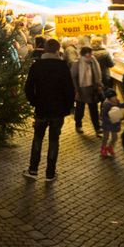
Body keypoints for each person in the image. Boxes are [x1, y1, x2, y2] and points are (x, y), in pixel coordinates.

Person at [23, 41, 75, 181]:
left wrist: (34, 102)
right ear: (58, 50)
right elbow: (70, 90)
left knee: (38, 139)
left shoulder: (37, 66)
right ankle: (50, 173)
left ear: (44, 50)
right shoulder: (63, 67)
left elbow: (28, 88)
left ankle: (33, 170)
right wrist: (67, 108)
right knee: (54, 141)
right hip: (58, 111)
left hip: (41, 109)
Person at [72, 46, 104, 135]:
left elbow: (97, 73)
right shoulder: (77, 63)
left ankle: (97, 128)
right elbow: (73, 77)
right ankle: (78, 125)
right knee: (80, 110)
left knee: (94, 109)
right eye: (89, 53)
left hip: (92, 89)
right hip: (81, 89)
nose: (91, 55)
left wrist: (98, 84)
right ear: (85, 54)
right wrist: (76, 90)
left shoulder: (93, 61)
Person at [99, 86, 124, 158]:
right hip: (107, 124)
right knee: (105, 137)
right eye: (113, 97)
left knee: (115, 138)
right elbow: (103, 115)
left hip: (114, 124)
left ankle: (110, 147)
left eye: (115, 96)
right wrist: (109, 120)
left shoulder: (116, 101)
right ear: (109, 98)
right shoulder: (106, 104)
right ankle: (103, 149)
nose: (115, 97)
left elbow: (121, 105)